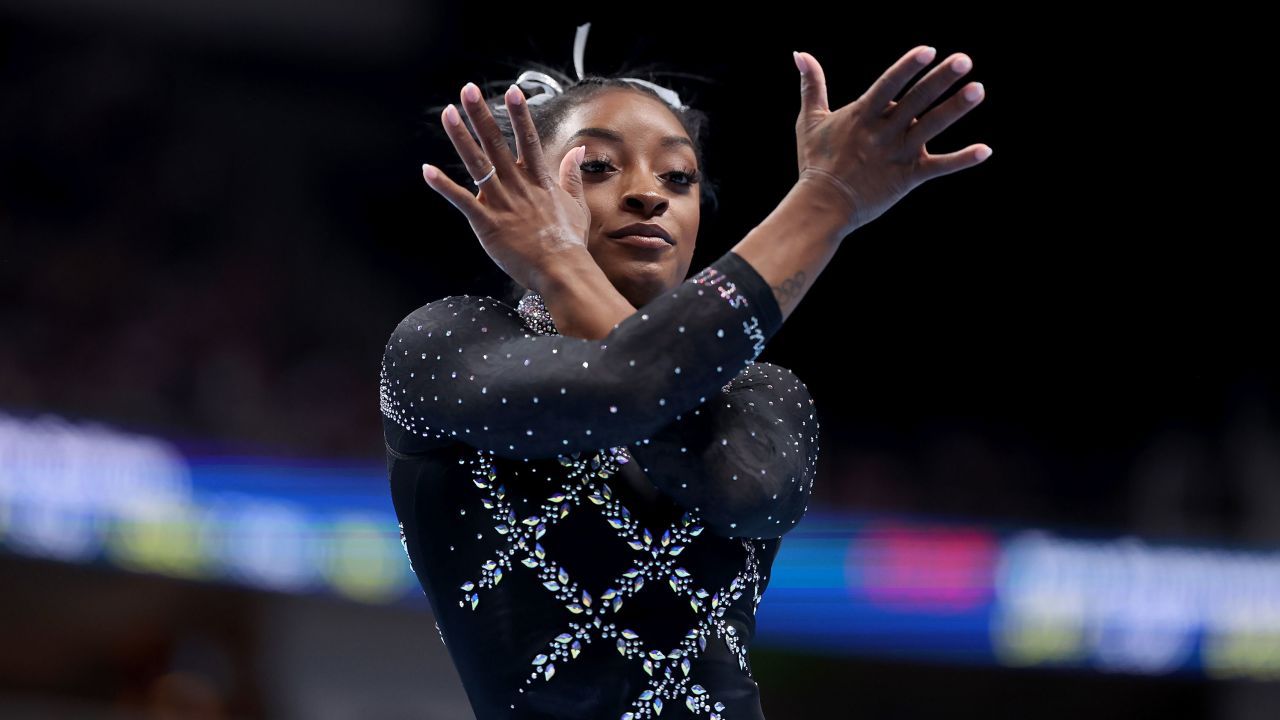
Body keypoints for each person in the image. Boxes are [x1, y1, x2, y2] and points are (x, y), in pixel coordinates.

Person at [382, 23, 989, 719]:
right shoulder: (449, 343)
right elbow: (624, 388)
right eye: (598, 166)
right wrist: (826, 202)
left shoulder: (764, 395)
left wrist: (559, 261)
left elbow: (731, 485)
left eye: (679, 177)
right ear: (519, 187)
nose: (649, 194)